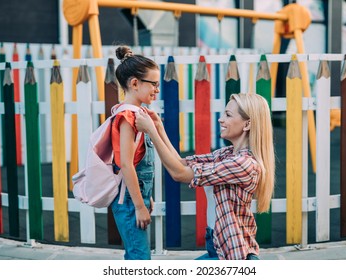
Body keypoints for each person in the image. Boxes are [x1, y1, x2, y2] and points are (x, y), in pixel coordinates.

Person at [135, 93, 275, 260]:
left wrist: (151, 131)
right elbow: (181, 163)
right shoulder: (226, 154)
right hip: (216, 243)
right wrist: (158, 127)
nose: (220, 119)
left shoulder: (244, 164)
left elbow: (178, 173)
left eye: (228, 115)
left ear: (247, 124)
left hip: (233, 254)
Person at [110, 45, 160, 260]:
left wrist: (145, 197)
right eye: (154, 84)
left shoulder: (140, 114)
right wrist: (139, 206)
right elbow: (126, 164)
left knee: (135, 255)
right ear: (134, 83)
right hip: (129, 201)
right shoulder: (128, 117)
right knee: (140, 257)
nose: (157, 90)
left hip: (135, 197)